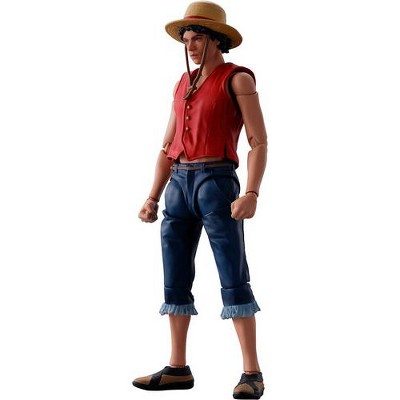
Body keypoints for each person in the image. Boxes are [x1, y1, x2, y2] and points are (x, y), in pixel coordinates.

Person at [132, 2, 268, 398]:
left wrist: (252, 193)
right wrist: (152, 195)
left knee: (232, 273)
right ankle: (178, 367)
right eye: (187, 39)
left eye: (198, 38)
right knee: (174, 274)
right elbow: (167, 144)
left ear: (217, 40)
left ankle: (252, 371)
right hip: (178, 184)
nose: (191, 46)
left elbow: (258, 141)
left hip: (216, 182)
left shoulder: (236, 78)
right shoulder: (182, 83)